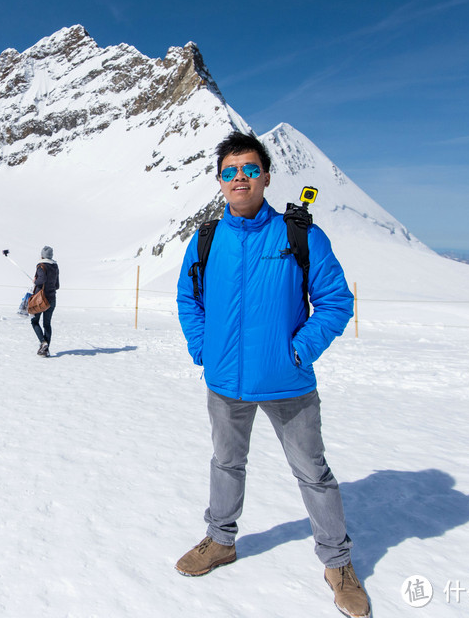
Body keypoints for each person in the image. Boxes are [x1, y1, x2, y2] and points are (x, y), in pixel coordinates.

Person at [174, 131, 369, 618]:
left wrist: (299, 351)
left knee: (313, 473)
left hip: (287, 381)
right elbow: (188, 300)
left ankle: (337, 563)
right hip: (224, 382)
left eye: (249, 169)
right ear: (220, 181)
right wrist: (204, 348)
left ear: (265, 176)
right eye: (230, 171)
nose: (240, 178)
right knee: (225, 463)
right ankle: (220, 541)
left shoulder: (299, 235)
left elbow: (335, 302)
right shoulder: (206, 238)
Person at [31, 246, 60, 357]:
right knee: (47, 324)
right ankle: (45, 349)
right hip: (52, 299)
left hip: (40, 300)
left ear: (42, 255)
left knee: (34, 321)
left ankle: (43, 343)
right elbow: (57, 285)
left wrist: (36, 281)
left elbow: (41, 279)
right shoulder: (55, 266)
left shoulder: (41, 265)